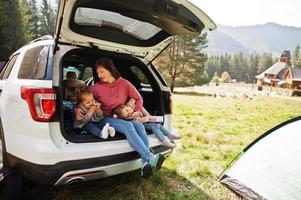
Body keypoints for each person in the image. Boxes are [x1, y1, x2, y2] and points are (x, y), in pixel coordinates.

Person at [89, 57, 165, 178]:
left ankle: (146, 163)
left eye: (101, 71)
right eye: (97, 72)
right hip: (105, 119)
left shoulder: (125, 83)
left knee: (139, 126)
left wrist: (137, 111)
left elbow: (139, 98)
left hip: (122, 117)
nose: (99, 75)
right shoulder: (96, 88)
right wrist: (79, 108)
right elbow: (83, 99)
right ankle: (149, 157)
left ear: (110, 69)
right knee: (129, 125)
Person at [112, 98, 181, 148]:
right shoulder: (130, 118)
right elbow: (138, 122)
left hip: (146, 121)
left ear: (126, 106)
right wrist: (144, 119)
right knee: (153, 126)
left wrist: (149, 118)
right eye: (127, 114)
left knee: (158, 124)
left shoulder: (136, 108)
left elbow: (134, 100)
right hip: (141, 125)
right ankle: (162, 140)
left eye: (127, 110)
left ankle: (169, 135)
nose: (129, 112)